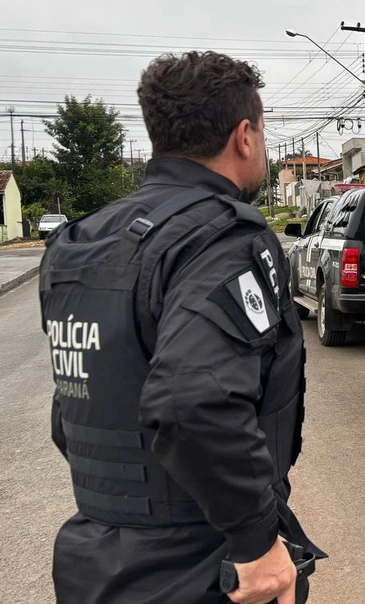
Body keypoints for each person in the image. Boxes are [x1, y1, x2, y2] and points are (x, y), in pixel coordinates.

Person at [40, 51, 322, 604]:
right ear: (245, 136)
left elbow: (74, 409)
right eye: (263, 132)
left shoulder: (84, 241)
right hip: (196, 565)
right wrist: (256, 540)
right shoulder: (221, 239)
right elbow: (192, 400)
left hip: (95, 562)